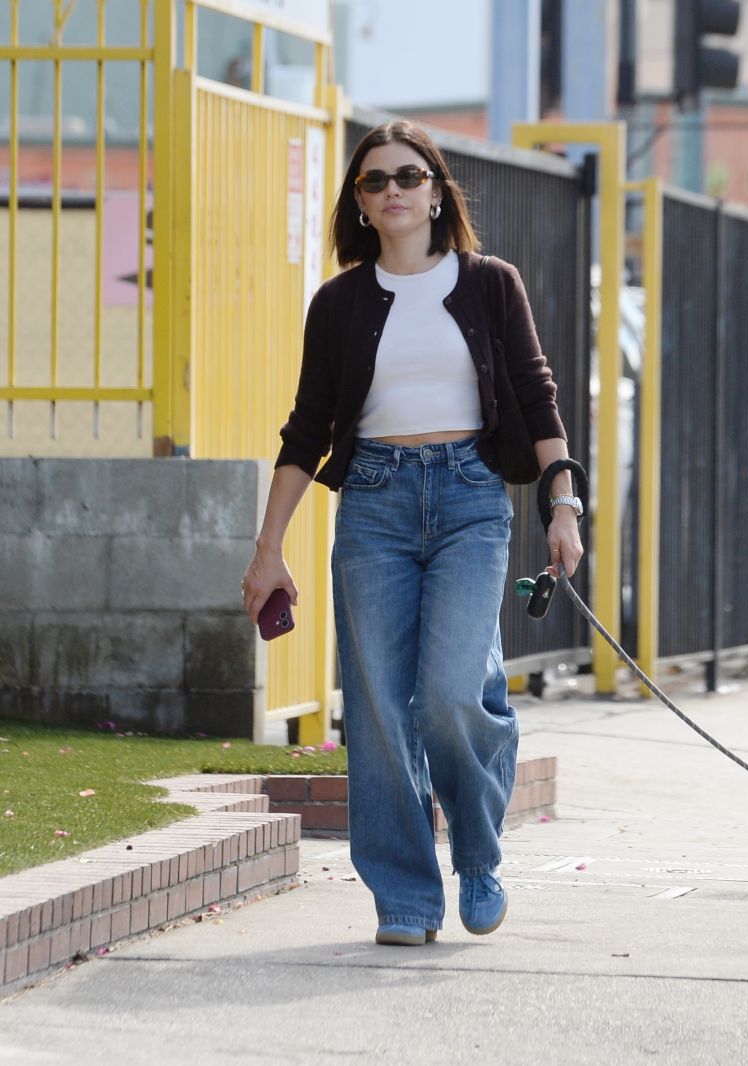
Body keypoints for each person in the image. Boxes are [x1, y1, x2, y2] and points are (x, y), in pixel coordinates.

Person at [241, 119, 584, 946]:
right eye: (373, 182)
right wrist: (268, 548)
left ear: (436, 189)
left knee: (448, 692)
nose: (392, 191)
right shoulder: (339, 303)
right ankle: (404, 894)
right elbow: (305, 430)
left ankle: (478, 851)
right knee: (378, 710)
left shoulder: (491, 283)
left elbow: (537, 397)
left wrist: (563, 502)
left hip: (470, 498)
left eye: (408, 175)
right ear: (358, 204)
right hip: (374, 506)